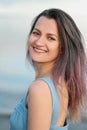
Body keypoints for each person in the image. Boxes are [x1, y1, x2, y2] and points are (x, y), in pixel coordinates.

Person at [10, 8, 87, 130]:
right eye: (36, 33)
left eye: (50, 38)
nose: (39, 42)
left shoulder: (40, 89)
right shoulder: (61, 83)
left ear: (63, 47)